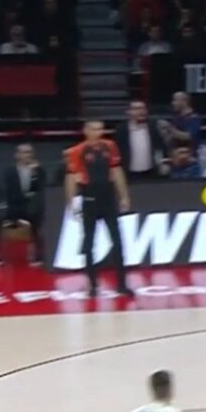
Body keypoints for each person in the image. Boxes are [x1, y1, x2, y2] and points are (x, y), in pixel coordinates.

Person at [65, 120, 133, 298]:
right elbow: (71, 178)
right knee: (88, 243)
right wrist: (71, 202)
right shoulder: (76, 151)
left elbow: (116, 171)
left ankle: (122, 284)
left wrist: (124, 195)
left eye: (101, 128)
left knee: (117, 242)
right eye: (94, 129)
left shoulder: (110, 146)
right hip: (89, 198)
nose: (99, 132)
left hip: (108, 198)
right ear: (86, 130)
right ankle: (92, 285)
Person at [4, 144, 47, 265]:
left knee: (39, 218)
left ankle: (38, 254)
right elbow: (10, 194)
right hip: (15, 207)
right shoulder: (9, 172)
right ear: (17, 155)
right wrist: (27, 198)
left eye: (29, 152)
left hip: (33, 209)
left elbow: (41, 191)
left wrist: (35, 174)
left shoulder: (39, 171)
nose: (26, 155)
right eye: (23, 152)